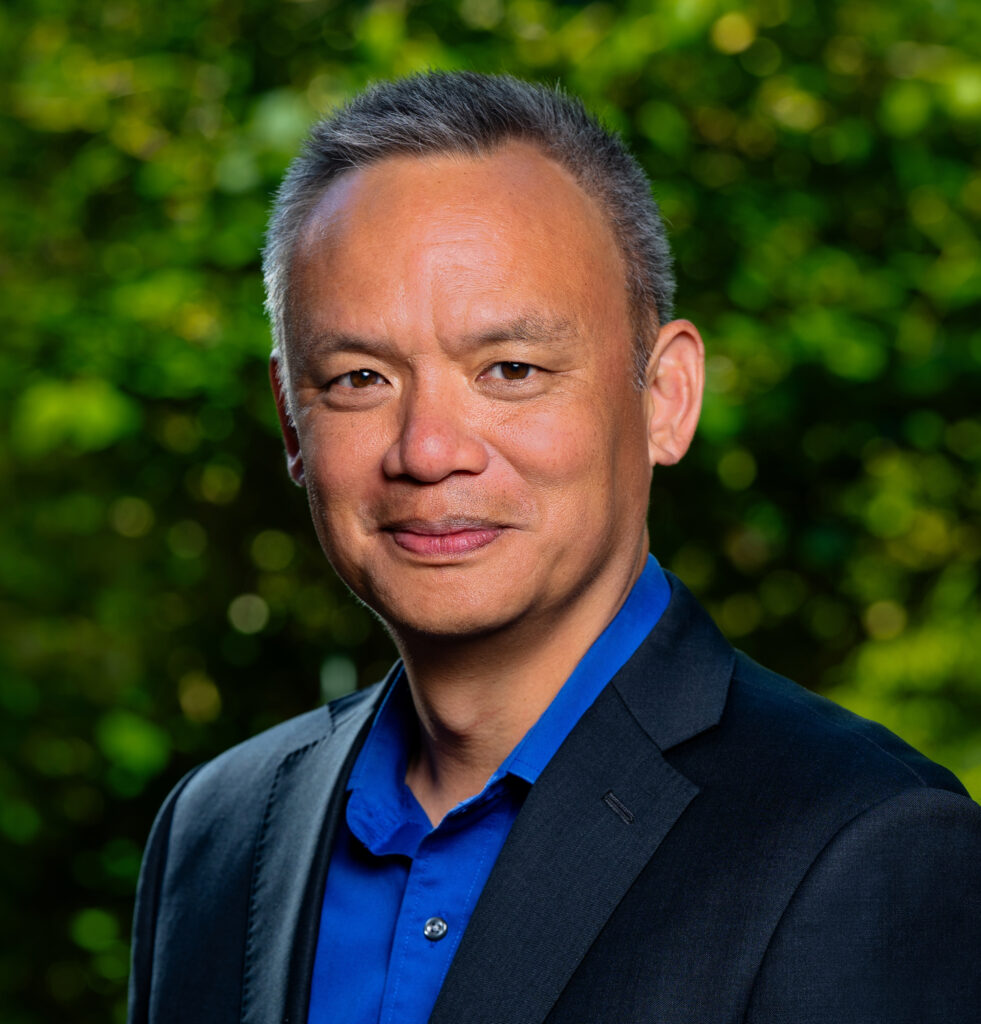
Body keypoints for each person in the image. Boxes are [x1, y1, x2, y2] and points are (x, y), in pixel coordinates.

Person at [127, 72, 981, 1024]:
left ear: (663, 398)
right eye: (360, 378)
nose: (428, 451)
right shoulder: (214, 835)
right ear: (293, 423)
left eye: (511, 370)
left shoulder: (866, 844)